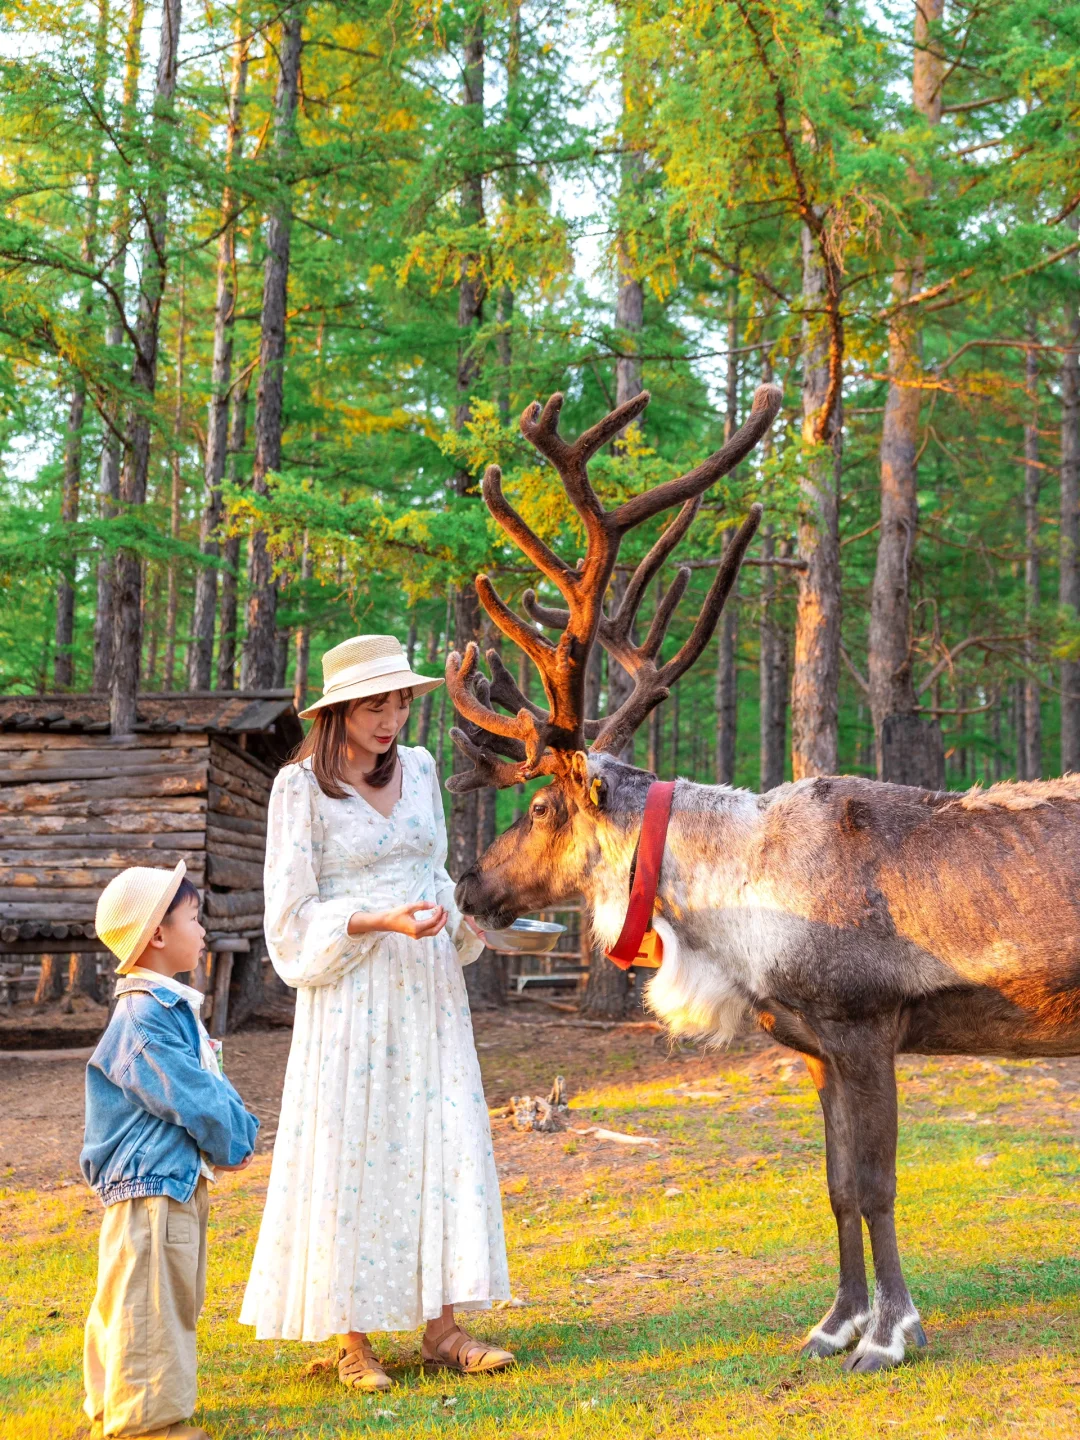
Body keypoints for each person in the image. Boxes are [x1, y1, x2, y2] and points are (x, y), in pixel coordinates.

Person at [240, 633, 513, 1391]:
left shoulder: (420, 771)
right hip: (353, 995)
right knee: (354, 1147)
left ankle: (444, 1328)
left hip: (427, 991)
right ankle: (352, 1338)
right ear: (338, 711)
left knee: (439, 1139)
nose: (392, 716)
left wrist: (465, 924)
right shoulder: (299, 791)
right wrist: (377, 923)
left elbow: (431, 871)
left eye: (400, 701)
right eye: (374, 704)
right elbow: (289, 919)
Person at [81, 861, 260, 1440]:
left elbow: (203, 1080)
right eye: (194, 917)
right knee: (155, 1303)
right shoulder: (146, 1016)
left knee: (132, 1292)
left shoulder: (164, 1007)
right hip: (155, 1185)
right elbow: (192, 1095)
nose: (203, 929)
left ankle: (114, 1405)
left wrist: (233, 1128)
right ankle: (150, 1424)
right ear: (157, 934)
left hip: (162, 1183)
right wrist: (235, 1137)